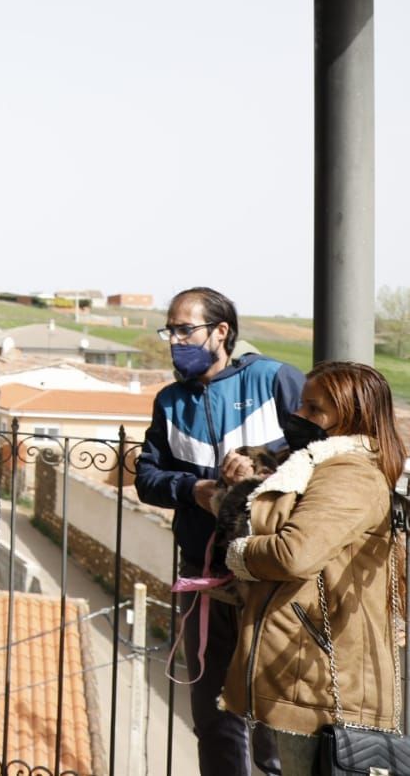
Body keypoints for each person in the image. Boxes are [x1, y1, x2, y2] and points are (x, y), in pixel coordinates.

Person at [135, 286, 304, 776]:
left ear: (221, 331)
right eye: (170, 330)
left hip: (271, 576)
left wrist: (260, 467)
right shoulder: (169, 401)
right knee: (213, 717)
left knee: (274, 712)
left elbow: (321, 458)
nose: (174, 340)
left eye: (185, 329)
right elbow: (147, 477)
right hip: (203, 575)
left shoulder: (274, 380)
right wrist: (196, 490)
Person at [222, 361, 408, 772]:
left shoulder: (350, 474)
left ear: (351, 414)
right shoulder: (322, 466)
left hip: (321, 675)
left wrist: (241, 553)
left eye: (313, 409)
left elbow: (295, 554)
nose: (299, 417)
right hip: (308, 668)